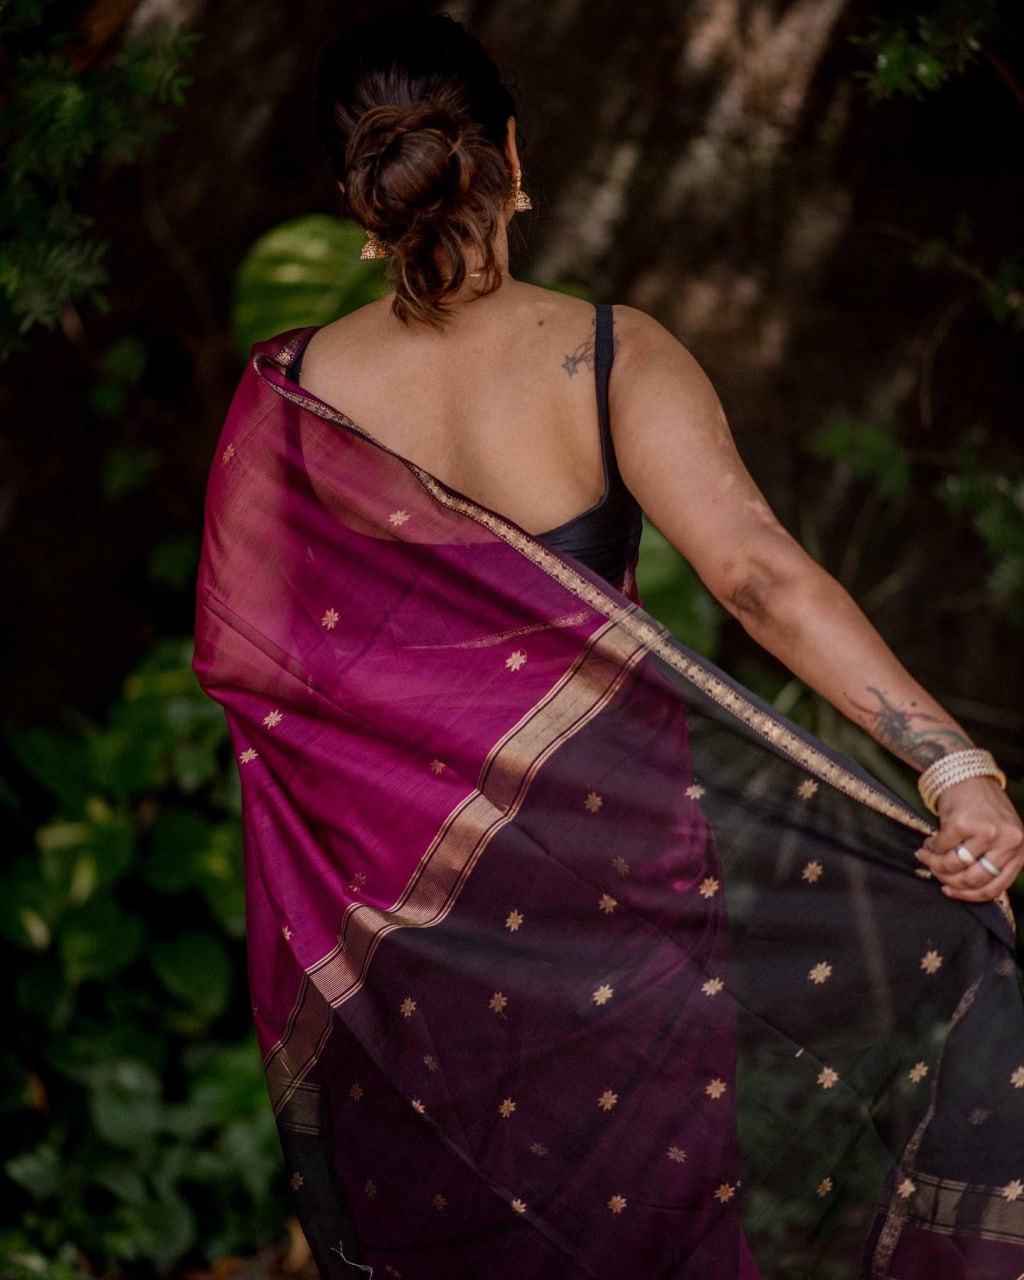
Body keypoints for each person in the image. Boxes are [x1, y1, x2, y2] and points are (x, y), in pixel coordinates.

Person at [192, 12, 1024, 1279]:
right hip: (616, 894)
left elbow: (259, 677)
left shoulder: (288, 394)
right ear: (512, 154)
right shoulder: (602, 356)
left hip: (402, 937)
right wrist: (949, 760)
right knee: (658, 1229)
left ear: (354, 192)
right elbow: (751, 573)